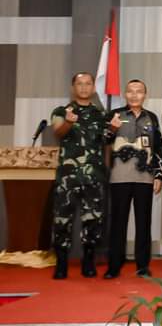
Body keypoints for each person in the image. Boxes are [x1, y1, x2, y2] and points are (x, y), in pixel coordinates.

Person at [104, 79, 162, 279]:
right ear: (125, 94)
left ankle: (142, 266)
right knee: (118, 224)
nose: (135, 95)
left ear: (145, 95)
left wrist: (158, 175)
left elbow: (159, 148)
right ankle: (114, 265)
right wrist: (111, 129)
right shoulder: (115, 116)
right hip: (119, 178)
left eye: (139, 91)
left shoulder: (151, 118)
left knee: (143, 224)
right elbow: (102, 140)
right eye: (131, 91)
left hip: (145, 179)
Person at [50, 72, 108, 279]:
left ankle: (89, 261)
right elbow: (58, 132)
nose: (84, 87)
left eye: (88, 84)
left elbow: (106, 143)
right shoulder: (61, 111)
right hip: (68, 177)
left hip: (94, 176)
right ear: (73, 87)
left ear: (93, 87)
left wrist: (114, 129)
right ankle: (62, 262)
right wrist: (68, 122)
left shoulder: (100, 114)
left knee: (92, 220)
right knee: (62, 220)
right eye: (79, 84)